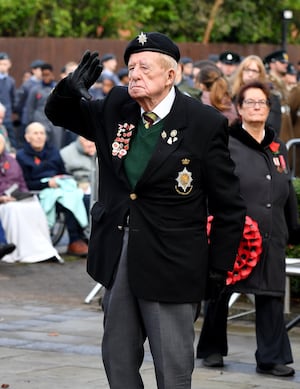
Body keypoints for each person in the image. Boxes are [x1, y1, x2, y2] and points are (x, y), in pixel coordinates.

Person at [44, 32, 246, 389]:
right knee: (117, 359)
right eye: (130, 67)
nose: (134, 74)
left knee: (173, 368)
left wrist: (219, 267)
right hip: (119, 253)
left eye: (144, 67)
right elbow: (59, 114)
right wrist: (67, 88)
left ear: (172, 75)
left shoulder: (202, 122)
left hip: (172, 261)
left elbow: (229, 205)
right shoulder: (117, 106)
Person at [197, 80, 299, 377]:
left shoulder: (276, 146)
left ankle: (271, 357)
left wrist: (292, 228)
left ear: (269, 109)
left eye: (262, 102)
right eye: (250, 102)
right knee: (220, 291)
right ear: (239, 109)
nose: (257, 107)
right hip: (234, 232)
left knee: (270, 294)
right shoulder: (226, 143)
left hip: (272, 233)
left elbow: (287, 189)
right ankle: (212, 348)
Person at [16, 122, 89, 257]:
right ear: (27, 137)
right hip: (38, 190)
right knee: (67, 199)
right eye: (35, 133)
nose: (39, 136)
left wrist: (65, 180)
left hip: (59, 185)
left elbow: (63, 171)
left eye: (42, 133)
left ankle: (83, 237)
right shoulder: (21, 156)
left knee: (81, 196)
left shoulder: (54, 151)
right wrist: (47, 184)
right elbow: (24, 183)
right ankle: (74, 240)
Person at [0, 134, 62, 263]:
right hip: (3, 200)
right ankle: (13, 247)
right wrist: (2, 198)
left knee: (34, 205)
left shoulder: (11, 160)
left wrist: (23, 194)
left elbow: (21, 181)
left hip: (16, 195)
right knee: (13, 209)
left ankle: (40, 249)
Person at [230, 54, 282, 136]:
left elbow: (273, 127)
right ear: (241, 72)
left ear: (260, 74)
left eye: (254, 71)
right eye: (247, 70)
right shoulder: (232, 95)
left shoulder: (271, 97)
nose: (250, 74)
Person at [26, 63, 64, 149]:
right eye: (44, 75)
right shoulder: (35, 89)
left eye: (48, 75)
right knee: (40, 145)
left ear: (52, 74)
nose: (46, 77)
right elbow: (30, 107)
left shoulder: (58, 88)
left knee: (56, 145)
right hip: (40, 120)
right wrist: (31, 122)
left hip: (55, 122)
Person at [60, 135, 96, 213]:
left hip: (97, 187)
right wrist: (77, 184)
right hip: (76, 188)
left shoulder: (101, 151)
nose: (90, 144)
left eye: (92, 141)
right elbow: (63, 175)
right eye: (86, 140)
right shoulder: (66, 153)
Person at [264, 50, 294, 143]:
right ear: (272, 64)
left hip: (286, 133)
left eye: (286, 62)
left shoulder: (282, 83)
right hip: (276, 133)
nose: (286, 65)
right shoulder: (268, 83)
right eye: (282, 62)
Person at [0, 52, 17, 149]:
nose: (3, 67)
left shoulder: (11, 81)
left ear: (9, 65)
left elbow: (13, 98)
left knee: (11, 140)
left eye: (5, 64)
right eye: (1, 64)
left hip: (7, 116)